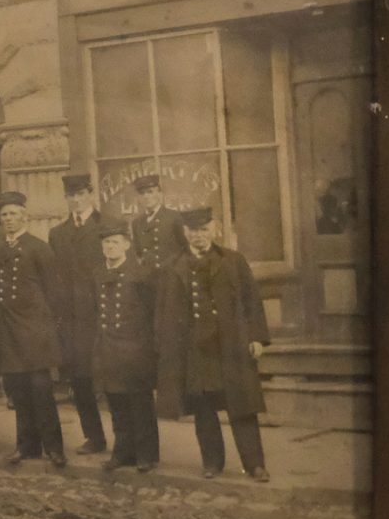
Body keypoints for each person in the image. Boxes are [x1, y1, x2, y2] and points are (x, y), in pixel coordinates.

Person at [156, 208, 272, 481]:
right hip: (194, 349)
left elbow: (252, 301)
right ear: (185, 233)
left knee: (242, 406)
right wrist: (165, 348)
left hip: (231, 346)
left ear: (214, 229)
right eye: (193, 231)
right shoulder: (172, 267)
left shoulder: (233, 261)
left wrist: (256, 337)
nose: (199, 236)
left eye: (204, 230)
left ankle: (255, 464)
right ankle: (212, 462)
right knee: (203, 408)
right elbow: (163, 311)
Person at [0, 191, 68, 467]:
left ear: (25, 216)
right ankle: (27, 446)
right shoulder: (0, 251)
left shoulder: (38, 248)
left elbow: (55, 292)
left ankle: (54, 447)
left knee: (41, 391)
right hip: (10, 331)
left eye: (13, 214)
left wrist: (48, 328)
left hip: (36, 331)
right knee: (18, 392)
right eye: (4, 215)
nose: (9, 219)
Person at [91, 219, 160, 472]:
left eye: (115, 242)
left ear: (127, 245)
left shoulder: (142, 273)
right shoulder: (98, 274)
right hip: (109, 347)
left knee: (140, 404)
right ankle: (122, 452)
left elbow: (153, 311)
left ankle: (146, 455)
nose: (110, 247)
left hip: (136, 348)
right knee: (116, 403)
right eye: (106, 242)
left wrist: (150, 348)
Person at [48, 172, 108, 455]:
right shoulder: (58, 233)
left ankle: (129, 443)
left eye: (81, 194)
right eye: (71, 195)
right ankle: (94, 437)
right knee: (81, 381)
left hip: (103, 316)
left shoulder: (107, 226)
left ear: (90, 194)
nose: (76, 200)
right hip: (72, 321)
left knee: (114, 382)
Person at [130, 173, 188, 270]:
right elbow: (138, 252)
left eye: (150, 192)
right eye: (142, 193)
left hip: (171, 276)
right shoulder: (136, 222)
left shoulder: (174, 217)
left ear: (160, 194)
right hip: (147, 277)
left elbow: (186, 248)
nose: (146, 196)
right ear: (138, 198)